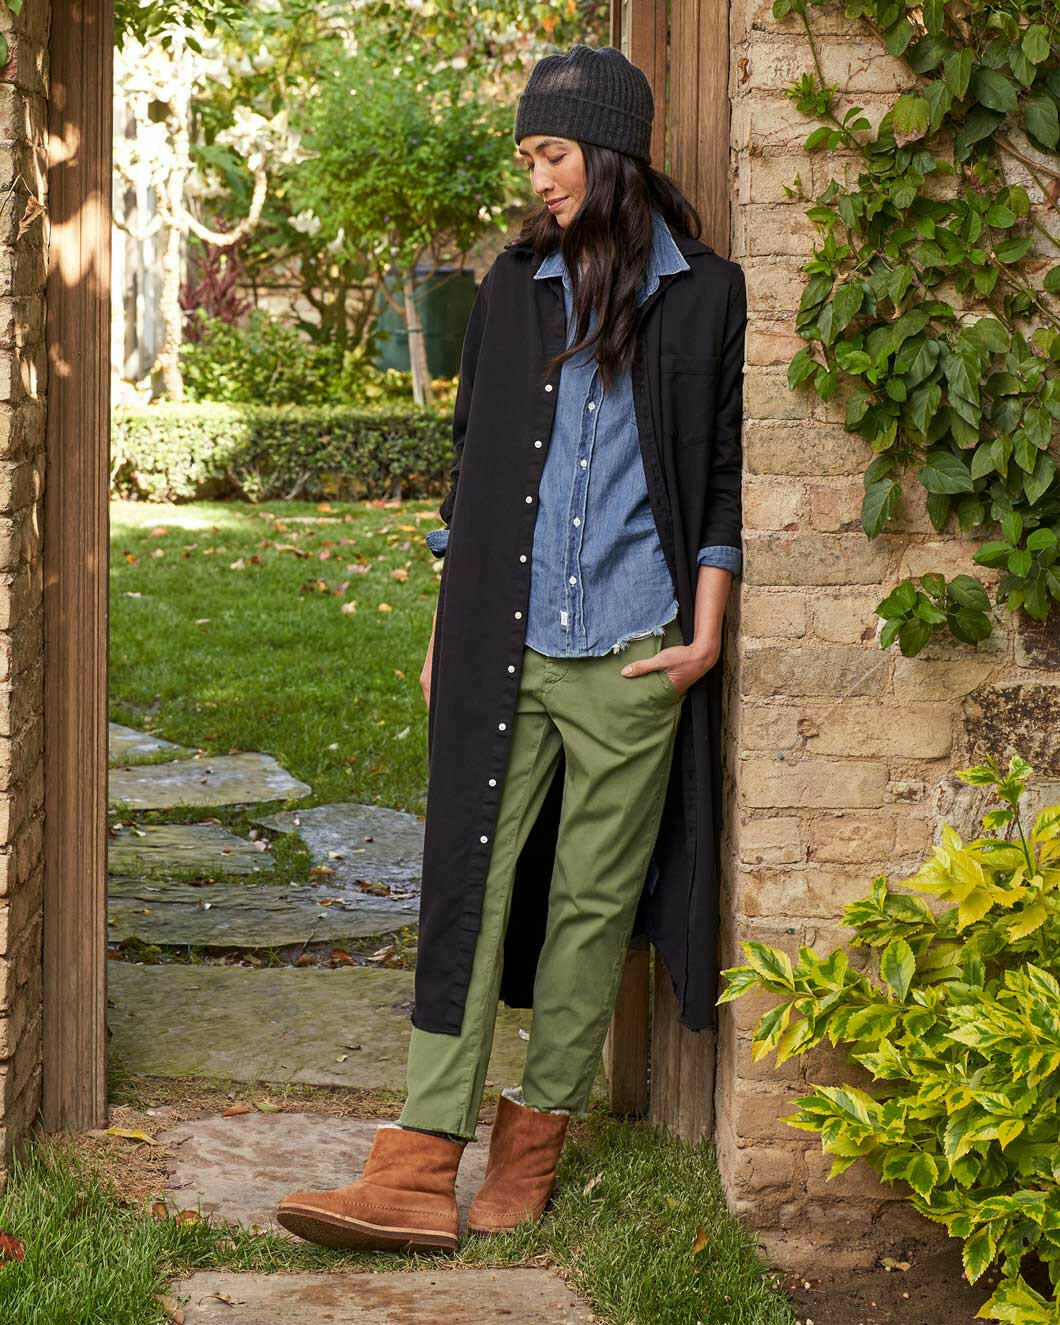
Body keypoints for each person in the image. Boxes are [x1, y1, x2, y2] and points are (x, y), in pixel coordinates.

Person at [277, 42, 746, 1254]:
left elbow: (720, 474)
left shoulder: (705, 295)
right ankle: (417, 1158)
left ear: (611, 152)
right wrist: (450, 626)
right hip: (510, 642)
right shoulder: (510, 287)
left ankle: (532, 1144)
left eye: (551, 153)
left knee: (591, 903)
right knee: (467, 884)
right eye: (529, 156)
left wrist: (703, 632)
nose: (536, 177)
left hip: (635, 648)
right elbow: (470, 471)